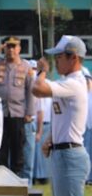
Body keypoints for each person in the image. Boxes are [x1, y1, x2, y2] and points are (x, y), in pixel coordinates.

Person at [32, 35, 91, 196]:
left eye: (59, 57)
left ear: (73, 58)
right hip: (62, 153)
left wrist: (42, 71)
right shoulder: (67, 82)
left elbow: (37, 89)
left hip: (69, 155)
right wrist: (51, 139)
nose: (56, 61)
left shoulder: (74, 83)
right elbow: (65, 119)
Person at [0, 36, 35, 175]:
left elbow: (30, 91)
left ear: (19, 49)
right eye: (8, 46)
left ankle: (17, 180)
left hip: (18, 114)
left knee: (17, 149)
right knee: (0, 148)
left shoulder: (26, 67)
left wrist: (29, 112)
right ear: (4, 48)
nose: (11, 49)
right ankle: (2, 180)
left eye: (14, 46)